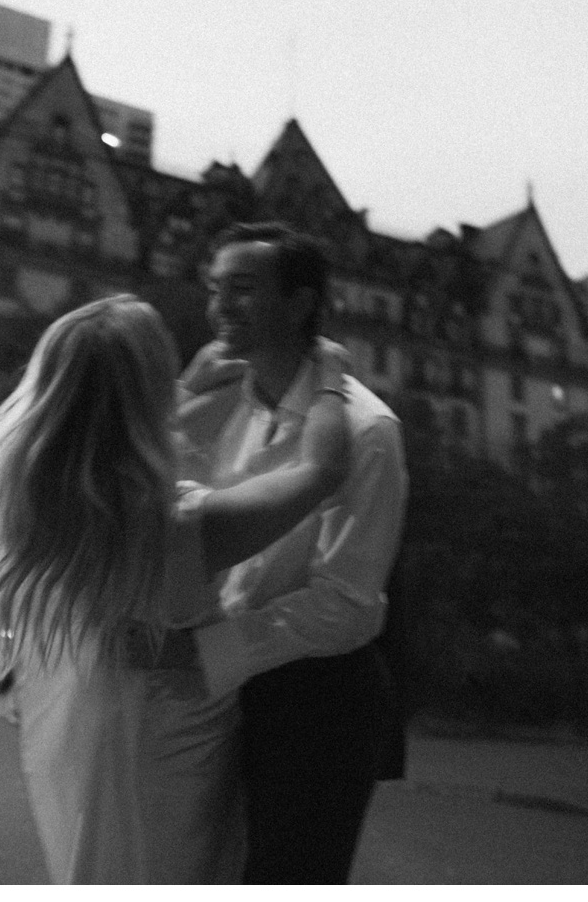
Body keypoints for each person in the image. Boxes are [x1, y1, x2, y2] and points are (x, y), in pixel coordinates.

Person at [0, 294, 354, 883]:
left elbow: (106, 429)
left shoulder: (31, 503)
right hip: (162, 745)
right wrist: (330, 379)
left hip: (70, 717)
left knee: (89, 860)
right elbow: (322, 470)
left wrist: (184, 388)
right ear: (144, 394)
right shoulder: (179, 526)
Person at [170, 222, 408, 884]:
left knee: (289, 876)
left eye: (243, 289)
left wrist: (209, 654)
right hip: (225, 683)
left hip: (317, 700)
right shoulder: (226, 411)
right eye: (216, 288)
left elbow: (347, 605)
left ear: (301, 302)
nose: (220, 306)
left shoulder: (367, 429)